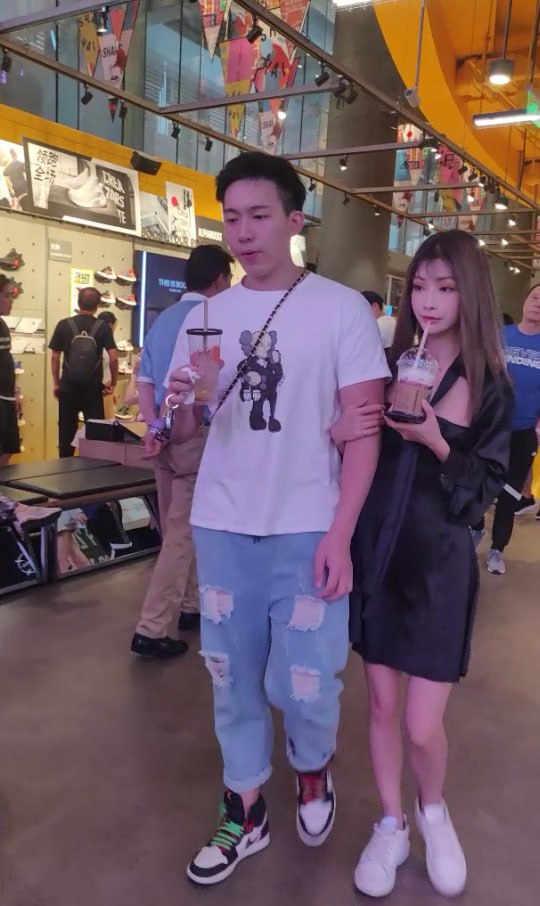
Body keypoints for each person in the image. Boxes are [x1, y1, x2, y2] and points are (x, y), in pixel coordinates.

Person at [165, 151, 389, 885]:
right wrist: (185, 402)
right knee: (229, 675)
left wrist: (341, 535)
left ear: (295, 221)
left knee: (308, 680)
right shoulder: (204, 317)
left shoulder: (341, 310)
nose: (244, 232)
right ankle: (245, 808)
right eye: (232, 218)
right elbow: (187, 434)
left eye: (259, 216)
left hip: (309, 524)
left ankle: (313, 768)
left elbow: (364, 432)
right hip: (223, 521)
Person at [338, 230, 512, 898]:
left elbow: (480, 496)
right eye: (419, 286)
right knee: (382, 705)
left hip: (439, 564)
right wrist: (341, 429)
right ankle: (390, 823)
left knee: (421, 723)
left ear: (470, 293)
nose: (429, 301)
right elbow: (357, 453)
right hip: (378, 552)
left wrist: (438, 440)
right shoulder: (388, 363)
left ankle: (432, 811)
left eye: (445, 287)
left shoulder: (489, 384)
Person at [130, 244, 234, 660]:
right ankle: (152, 627)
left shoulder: (164, 319)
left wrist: (154, 425)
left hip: (163, 434)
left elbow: (145, 381)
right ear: (220, 280)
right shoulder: (212, 319)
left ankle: (191, 605)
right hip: (195, 434)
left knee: (176, 529)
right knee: (183, 534)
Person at [486, 284, 540, 574]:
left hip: (523, 432)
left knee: (509, 494)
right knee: (478, 483)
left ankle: (497, 549)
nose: (538, 304)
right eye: (535, 297)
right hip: (491, 427)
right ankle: (473, 529)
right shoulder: (501, 336)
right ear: (525, 301)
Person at [49, 287, 118, 457]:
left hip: (68, 387)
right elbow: (114, 358)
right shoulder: (103, 327)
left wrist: (56, 383)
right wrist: (113, 383)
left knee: (66, 433)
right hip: (93, 389)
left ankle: (64, 468)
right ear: (97, 305)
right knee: (95, 435)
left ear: (78, 302)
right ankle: (93, 468)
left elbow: (55, 357)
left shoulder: (64, 324)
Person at [0, 275, 21, 465]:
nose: (11, 301)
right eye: (7, 296)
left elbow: (6, 360)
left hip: (7, 398)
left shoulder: (3, 325)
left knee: (9, 448)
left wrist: (15, 392)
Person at [97, 310, 118, 420]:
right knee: (106, 422)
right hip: (105, 388)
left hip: (93, 388)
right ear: (110, 325)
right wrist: (113, 383)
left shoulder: (93, 340)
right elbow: (113, 360)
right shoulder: (107, 346)